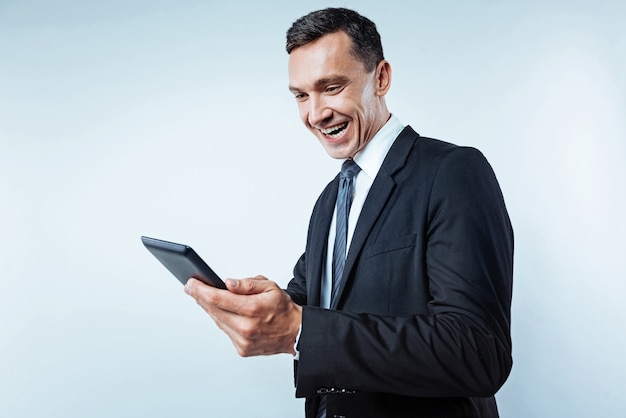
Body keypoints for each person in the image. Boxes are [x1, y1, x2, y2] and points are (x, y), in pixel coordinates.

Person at [184, 7, 513, 418]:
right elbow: (320, 306)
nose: (315, 114)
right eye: (301, 95)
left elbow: (478, 351)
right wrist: (266, 304)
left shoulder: (452, 172)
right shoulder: (330, 199)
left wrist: (299, 330)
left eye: (332, 87)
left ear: (381, 78)